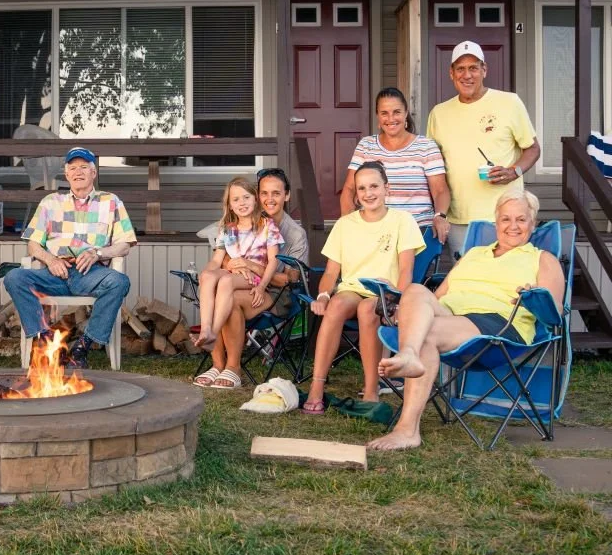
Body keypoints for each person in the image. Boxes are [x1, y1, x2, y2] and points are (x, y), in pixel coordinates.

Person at [369, 190, 564, 451]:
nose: (513, 226)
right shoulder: (473, 254)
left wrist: (533, 298)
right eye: (506, 219)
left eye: (521, 219)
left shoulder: (543, 259)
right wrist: (402, 306)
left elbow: (554, 314)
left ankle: (406, 428)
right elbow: (437, 298)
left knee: (428, 332)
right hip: (452, 316)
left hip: (498, 325)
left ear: (533, 223)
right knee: (415, 291)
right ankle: (409, 354)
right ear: (496, 223)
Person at [302, 161, 425, 413]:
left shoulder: (403, 221)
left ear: (386, 188)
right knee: (336, 305)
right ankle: (317, 386)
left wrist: (398, 301)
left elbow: (406, 270)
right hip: (352, 288)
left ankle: (371, 389)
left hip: (384, 292)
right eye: (361, 189)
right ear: (356, 194)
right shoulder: (345, 224)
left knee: (368, 310)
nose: (368, 193)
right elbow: (330, 272)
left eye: (374, 186)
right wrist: (324, 295)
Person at [4, 147, 137, 369]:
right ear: (66, 174)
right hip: (54, 273)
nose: (78, 172)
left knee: (119, 282)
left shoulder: (111, 201)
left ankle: (82, 348)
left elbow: (124, 244)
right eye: (73, 168)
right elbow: (33, 244)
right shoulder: (50, 202)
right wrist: (51, 260)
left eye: (84, 167)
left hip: (90, 273)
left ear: (93, 173)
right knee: (14, 277)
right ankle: (47, 343)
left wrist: (98, 253)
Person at [427, 40, 541, 259]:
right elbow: (432, 167)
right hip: (459, 217)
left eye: (473, 68)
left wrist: (513, 171)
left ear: (484, 70)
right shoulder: (438, 114)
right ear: (451, 73)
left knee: (507, 281)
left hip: (506, 217)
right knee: (465, 281)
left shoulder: (509, 102)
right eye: (460, 69)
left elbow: (533, 148)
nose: (467, 75)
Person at [202, 167, 309, 387]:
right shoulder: (240, 222)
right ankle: (217, 365)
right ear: (257, 195)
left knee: (228, 300)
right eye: (264, 193)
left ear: (286, 195)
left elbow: (288, 279)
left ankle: (232, 367)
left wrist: (251, 267)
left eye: (276, 193)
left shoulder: (294, 234)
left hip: (277, 295)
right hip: (241, 283)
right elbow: (224, 257)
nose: (269, 199)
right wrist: (231, 266)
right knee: (217, 289)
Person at [191, 176, 284, 389]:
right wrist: (206, 275)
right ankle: (210, 341)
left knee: (223, 281)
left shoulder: (267, 225)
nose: (241, 203)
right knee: (209, 276)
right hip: (235, 278)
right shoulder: (227, 228)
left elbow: (273, 262)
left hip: (258, 282)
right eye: (236, 199)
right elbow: (217, 260)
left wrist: (260, 286)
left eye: (246, 197)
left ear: (255, 200)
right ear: (229, 204)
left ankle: (213, 336)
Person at [340, 87, 450, 244]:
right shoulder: (366, 145)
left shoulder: (426, 146)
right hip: (373, 231)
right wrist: (348, 223)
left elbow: (440, 190)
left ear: (406, 113)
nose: (391, 118)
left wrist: (440, 216)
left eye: (396, 112)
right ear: (378, 116)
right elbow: (349, 189)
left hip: (416, 231)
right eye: (384, 113)